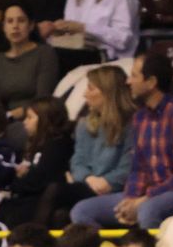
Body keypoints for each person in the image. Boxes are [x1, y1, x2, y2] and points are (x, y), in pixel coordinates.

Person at [69, 52, 173, 229]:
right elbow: (138, 168)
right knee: (82, 211)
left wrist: (144, 199)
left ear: (151, 82)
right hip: (145, 194)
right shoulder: (140, 118)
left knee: (148, 210)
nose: (128, 81)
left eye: (134, 76)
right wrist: (130, 198)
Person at [51, 65, 134, 226]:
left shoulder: (132, 124)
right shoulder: (84, 124)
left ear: (108, 91)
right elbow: (77, 161)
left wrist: (107, 181)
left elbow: (129, 166)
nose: (85, 94)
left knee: (56, 191)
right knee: (58, 213)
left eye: (91, 88)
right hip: (88, 184)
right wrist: (89, 179)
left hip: (115, 190)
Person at [0, 3, 59, 140]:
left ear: (31, 25)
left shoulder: (44, 53)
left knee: (11, 132)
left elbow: (42, 99)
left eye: (21, 20)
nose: (15, 26)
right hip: (4, 119)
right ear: (3, 27)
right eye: (9, 21)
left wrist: (12, 114)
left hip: (34, 118)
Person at [0, 97, 75, 227]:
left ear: (45, 119)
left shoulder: (59, 144)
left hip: (41, 201)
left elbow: (40, 178)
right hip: (29, 198)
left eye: (30, 118)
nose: (24, 122)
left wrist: (18, 180)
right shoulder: (35, 144)